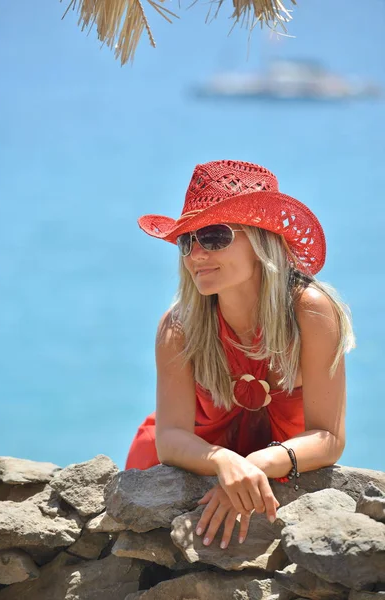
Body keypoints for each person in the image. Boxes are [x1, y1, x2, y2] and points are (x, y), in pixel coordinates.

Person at [125, 159, 355, 550]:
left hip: (273, 471)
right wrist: (223, 463)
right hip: (185, 469)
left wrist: (252, 466)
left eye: (214, 236)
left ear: (263, 239)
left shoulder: (311, 312)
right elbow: (169, 439)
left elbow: (329, 437)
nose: (196, 254)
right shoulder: (178, 327)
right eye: (187, 241)